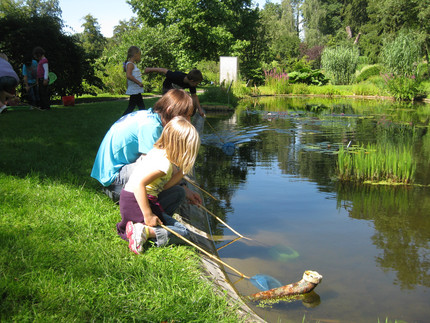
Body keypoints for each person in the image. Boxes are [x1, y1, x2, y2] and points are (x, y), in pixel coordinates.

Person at [90, 89, 202, 206]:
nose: (188, 121)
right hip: (113, 177)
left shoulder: (151, 116)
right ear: (170, 110)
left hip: (111, 171)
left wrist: (183, 185)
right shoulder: (151, 127)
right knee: (164, 169)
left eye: (190, 116)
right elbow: (154, 165)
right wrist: (184, 187)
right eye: (185, 116)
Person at [117, 116, 200, 254]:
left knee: (180, 191)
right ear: (179, 146)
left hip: (136, 199)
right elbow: (139, 185)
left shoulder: (161, 153)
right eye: (188, 150)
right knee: (184, 233)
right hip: (136, 202)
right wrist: (148, 215)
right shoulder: (164, 165)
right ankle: (144, 231)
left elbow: (165, 187)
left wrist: (182, 172)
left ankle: (151, 225)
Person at [122, 46, 145, 116]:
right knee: (131, 107)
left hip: (136, 90)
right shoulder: (130, 64)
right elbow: (128, 76)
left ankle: (144, 118)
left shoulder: (132, 64)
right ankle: (122, 120)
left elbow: (133, 75)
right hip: (134, 90)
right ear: (135, 54)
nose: (140, 57)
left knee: (141, 107)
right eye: (139, 55)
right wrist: (139, 83)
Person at [32, 46, 50, 110]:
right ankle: (43, 106)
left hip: (43, 78)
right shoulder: (41, 61)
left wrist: (45, 79)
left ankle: (46, 106)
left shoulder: (44, 61)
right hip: (40, 79)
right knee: (41, 93)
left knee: (44, 93)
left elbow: (46, 70)